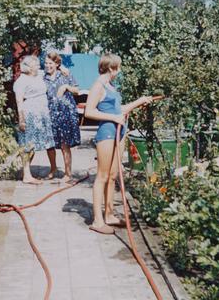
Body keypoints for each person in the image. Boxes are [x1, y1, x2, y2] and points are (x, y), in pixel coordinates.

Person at [84, 53, 152, 234]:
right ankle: (98, 221)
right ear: (110, 68)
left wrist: (139, 101)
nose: (119, 71)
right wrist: (113, 117)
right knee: (102, 176)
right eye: (118, 68)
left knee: (113, 174)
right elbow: (89, 112)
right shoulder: (98, 86)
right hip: (107, 133)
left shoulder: (110, 86)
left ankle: (109, 215)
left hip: (120, 131)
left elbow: (118, 110)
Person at [13, 55, 55, 184]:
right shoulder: (21, 81)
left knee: (34, 144)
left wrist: (64, 69)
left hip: (42, 114)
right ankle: (27, 175)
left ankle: (26, 172)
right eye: (35, 64)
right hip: (30, 114)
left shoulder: (39, 75)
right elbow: (19, 102)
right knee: (28, 145)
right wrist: (22, 120)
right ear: (28, 67)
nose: (38, 66)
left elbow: (53, 68)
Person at [43, 52, 81, 183]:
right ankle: (53, 169)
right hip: (50, 114)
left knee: (65, 144)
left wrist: (66, 87)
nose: (47, 66)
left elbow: (77, 90)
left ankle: (68, 173)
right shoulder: (43, 78)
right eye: (46, 63)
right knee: (50, 144)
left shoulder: (65, 74)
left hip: (65, 113)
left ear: (57, 64)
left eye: (50, 63)